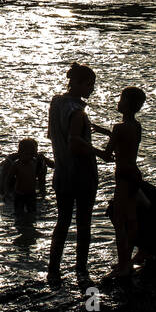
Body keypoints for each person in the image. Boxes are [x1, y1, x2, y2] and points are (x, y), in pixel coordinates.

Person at [46, 62, 103, 285]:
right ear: (78, 83)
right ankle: (81, 270)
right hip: (82, 173)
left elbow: (53, 135)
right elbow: (75, 143)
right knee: (83, 223)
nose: (92, 89)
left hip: (61, 172)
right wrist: (100, 152)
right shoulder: (77, 112)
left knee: (62, 222)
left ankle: (53, 270)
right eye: (90, 84)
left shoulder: (56, 103)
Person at [96, 87, 147, 280]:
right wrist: (106, 133)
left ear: (127, 104)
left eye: (121, 99)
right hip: (134, 174)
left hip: (123, 177)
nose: (118, 102)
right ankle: (127, 261)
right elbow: (125, 146)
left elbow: (108, 156)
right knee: (131, 219)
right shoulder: (135, 126)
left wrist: (84, 144)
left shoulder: (119, 128)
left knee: (119, 221)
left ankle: (124, 264)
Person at [0, 139, 50, 211]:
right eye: (29, 153)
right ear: (20, 153)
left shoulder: (39, 161)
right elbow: (4, 183)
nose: (32, 156)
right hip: (4, 175)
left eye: (34, 153)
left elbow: (42, 183)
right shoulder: (11, 162)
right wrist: (5, 195)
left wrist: (42, 198)